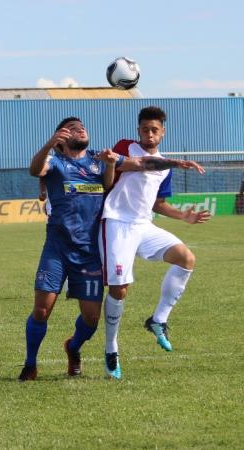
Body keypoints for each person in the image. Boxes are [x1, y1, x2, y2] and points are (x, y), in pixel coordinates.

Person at [100, 106, 210, 380]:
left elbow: (158, 203)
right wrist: (175, 162)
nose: (149, 134)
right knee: (119, 290)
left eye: (154, 130)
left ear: (163, 132)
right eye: (145, 129)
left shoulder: (166, 166)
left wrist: (184, 216)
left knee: (186, 258)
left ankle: (158, 319)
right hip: (116, 223)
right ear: (138, 130)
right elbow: (139, 165)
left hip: (144, 225)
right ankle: (111, 347)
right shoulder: (126, 147)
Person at [19, 116, 121, 381]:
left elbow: (108, 184)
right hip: (57, 249)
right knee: (42, 311)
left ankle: (73, 347)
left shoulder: (98, 162)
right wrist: (48, 145)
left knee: (91, 320)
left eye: (82, 126)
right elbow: (34, 170)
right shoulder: (55, 162)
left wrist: (110, 164)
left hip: (88, 253)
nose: (81, 129)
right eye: (73, 128)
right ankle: (30, 363)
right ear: (61, 139)